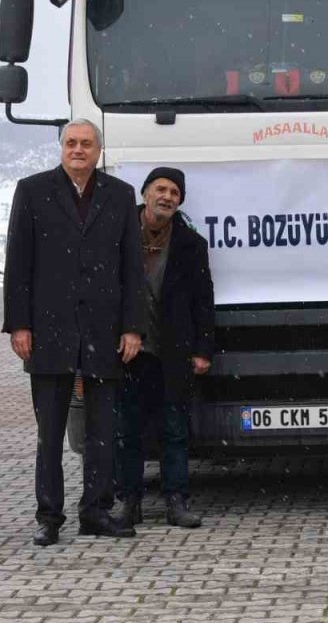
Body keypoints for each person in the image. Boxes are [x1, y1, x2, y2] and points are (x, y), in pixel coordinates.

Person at [3, 118, 147, 546]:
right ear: (61, 148)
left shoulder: (119, 196)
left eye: (86, 143)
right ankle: (49, 516)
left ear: (98, 151)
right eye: (71, 143)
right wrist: (19, 324)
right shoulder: (32, 191)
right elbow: (18, 263)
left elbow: (132, 269)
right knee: (50, 433)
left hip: (105, 333)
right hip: (48, 332)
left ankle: (96, 511)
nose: (78, 149)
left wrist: (133, 327)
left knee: (103, 431)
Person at [112, 167, 215, 529]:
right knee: (127, 432)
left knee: (174, 431)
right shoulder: (118, 237)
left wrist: (203, 349)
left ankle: (177, 501)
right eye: (160, 189)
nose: (167, 196)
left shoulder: (191, 245)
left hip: (174, 352)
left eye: (174, 192)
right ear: (144, 193)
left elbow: (204, 301)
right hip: (128, 352)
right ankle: (129, 503)